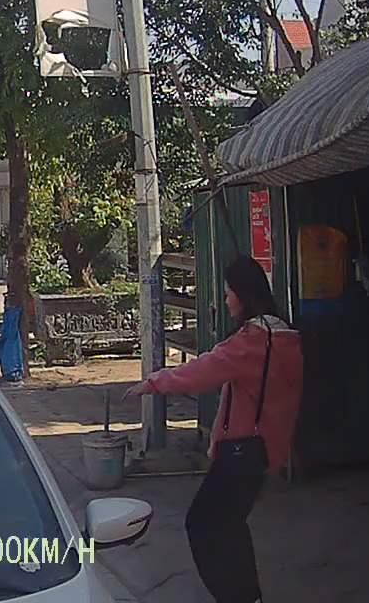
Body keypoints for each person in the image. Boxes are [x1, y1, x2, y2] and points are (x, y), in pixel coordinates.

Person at [124, 255, 303, 603]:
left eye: (228, 292)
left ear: (243, 295)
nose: (226, 300)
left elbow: (205, 370)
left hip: (241, 452)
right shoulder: (283, 336)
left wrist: (155, 382)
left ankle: (236, 596)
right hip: (264, 450)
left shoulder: (254, 341)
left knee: (203, 525)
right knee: (230, 525)